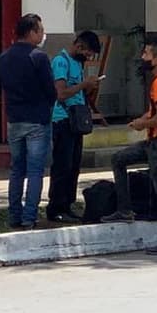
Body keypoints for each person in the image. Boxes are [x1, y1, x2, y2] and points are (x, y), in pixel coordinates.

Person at [101, 37, 157, 254]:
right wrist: (145, 118)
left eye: (146, 54)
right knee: (119, 159)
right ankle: (124, 209)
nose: (143, 58)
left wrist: (142, 123)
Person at [0, 13, 57, 230]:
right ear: (31, 32)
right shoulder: (38, 57)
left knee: (16, 169)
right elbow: (51, 91)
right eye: (40, 30)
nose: (42, 34)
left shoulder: (3, 58)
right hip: (37, 120)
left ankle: (14, 214)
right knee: (34, 171)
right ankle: (29, 216)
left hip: (14, 119)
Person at [46, 31, 102, 222]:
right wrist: (83, 84)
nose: (88, 58)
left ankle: (68, 203)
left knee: (74, 165)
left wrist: (89, 86)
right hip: (62, 119)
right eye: (87, 54)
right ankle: (56, 207)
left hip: (75, 120)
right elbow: (61, 93)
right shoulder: (61, 62)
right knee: (63, 165)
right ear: (79, 46)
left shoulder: (78, 64)